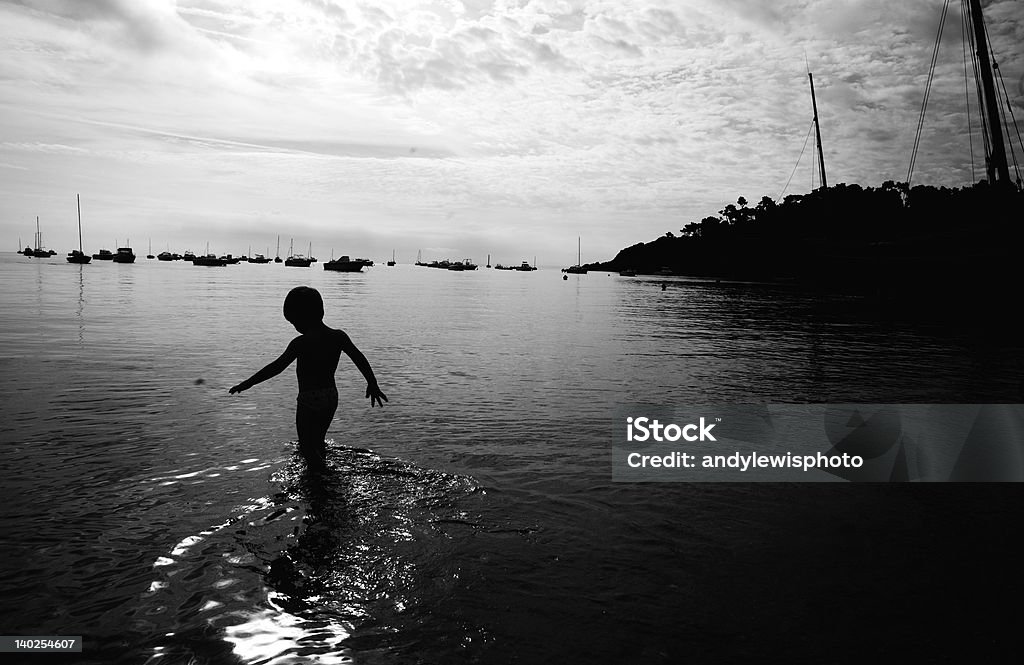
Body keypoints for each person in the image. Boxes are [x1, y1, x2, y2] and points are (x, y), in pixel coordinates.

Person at [229, 286, 387, 469]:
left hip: (308, 399)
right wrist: (372, 383)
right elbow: (359, 358)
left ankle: (321, 476)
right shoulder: (338, 336)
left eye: (294, 322)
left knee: (306, 446)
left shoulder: (300, 343)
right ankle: (321, 472)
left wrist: (248, 383)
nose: (295, 327)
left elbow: (277, 367)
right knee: (318, 440)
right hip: (331, 396)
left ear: (301, 317)